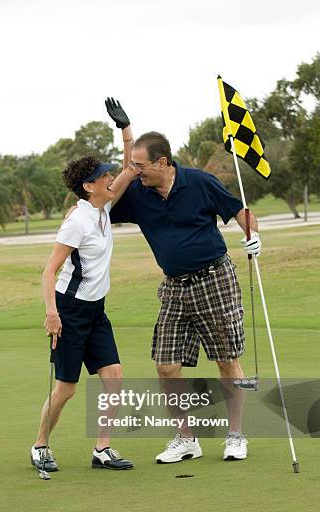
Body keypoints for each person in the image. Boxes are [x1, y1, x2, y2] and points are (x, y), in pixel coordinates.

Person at [106, 123, 262, 464]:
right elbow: (108, 199)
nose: (136, 172)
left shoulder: (199, 183)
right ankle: (186, 439)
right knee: (166, 366)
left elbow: (240, 210)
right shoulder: (137, 193)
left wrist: (252, 234)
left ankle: (235, 435)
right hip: (175, 288)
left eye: (141, 166)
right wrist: (127, 145)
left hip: (215, 281)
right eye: (133, 166)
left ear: (162, 162)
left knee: (226, 361)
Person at [31, 102, 139, 472]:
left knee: (114, 377)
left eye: (109, 174)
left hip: (96, 310)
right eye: (103, 176)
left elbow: (129, 168)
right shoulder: (77, 221)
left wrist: (125, 129)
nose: (112, 178)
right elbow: (50, 271)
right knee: (66, 388)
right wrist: (52, 313)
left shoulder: (103, 208)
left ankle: (102, 450)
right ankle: (41, 445)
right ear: (88, 185)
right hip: (70, 311)